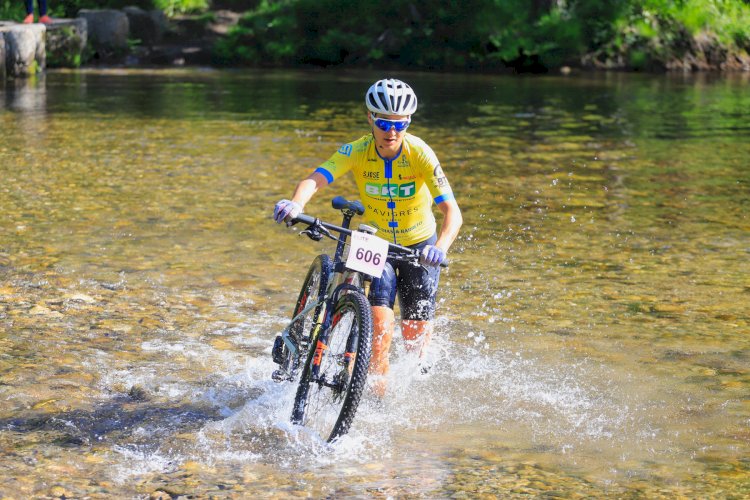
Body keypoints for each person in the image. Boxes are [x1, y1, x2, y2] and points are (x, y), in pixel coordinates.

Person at [273, 78, 463, 396]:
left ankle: (405, 385)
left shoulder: (421, 153)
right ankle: (374, 398)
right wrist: (296, 203)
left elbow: (452, 213)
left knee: (415, 336)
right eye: (384, 123)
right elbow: (317, 178)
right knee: (379, 328)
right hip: (375, 243)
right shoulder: (357, 151)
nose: (392, 131)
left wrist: (440, 248)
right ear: (370, 118)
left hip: (420, 246)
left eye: (400, 124)